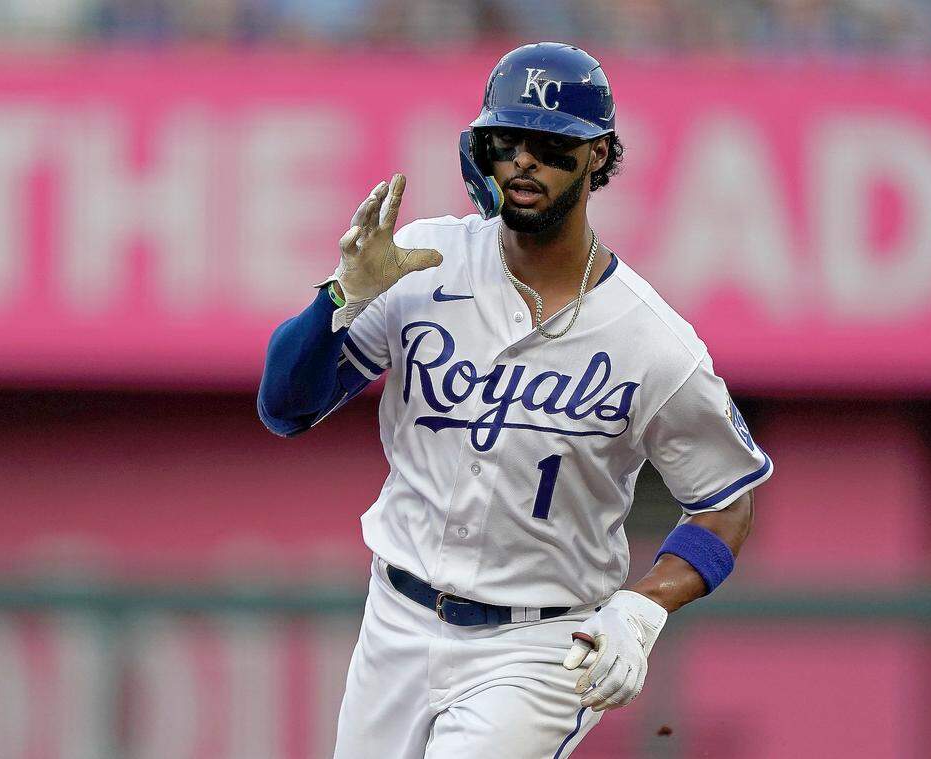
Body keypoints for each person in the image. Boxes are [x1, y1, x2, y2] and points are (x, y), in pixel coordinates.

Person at [258, 41, 773, 759]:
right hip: (396, 620)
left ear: (597, 155)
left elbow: (726, 500)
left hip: (536, 645)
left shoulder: (652, 339)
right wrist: (343, 296)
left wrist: (643, 605)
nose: (524, 161)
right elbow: (284, 405)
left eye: (551, 144)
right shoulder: (422, 261)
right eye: (507, 140)